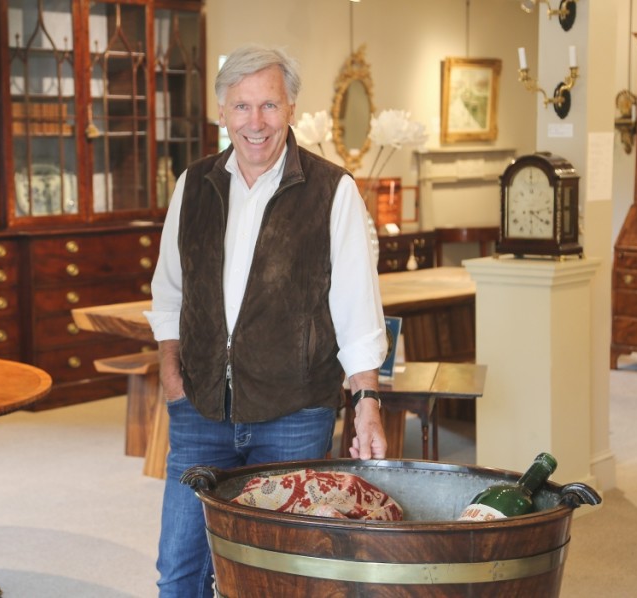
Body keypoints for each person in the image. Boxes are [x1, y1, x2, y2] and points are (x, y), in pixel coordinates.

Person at [144, 44, 389, 598]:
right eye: (241, 107)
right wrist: (172, 375)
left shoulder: (333, 190)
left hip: (293, 413)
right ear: (223, 113)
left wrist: (366, 402)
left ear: (292, 107)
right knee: (179, 568)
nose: (255, 123)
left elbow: (356, 307)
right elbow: (169, 290)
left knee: (278, 575)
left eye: (270, 106)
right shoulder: (193, 184)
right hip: (200, 410)